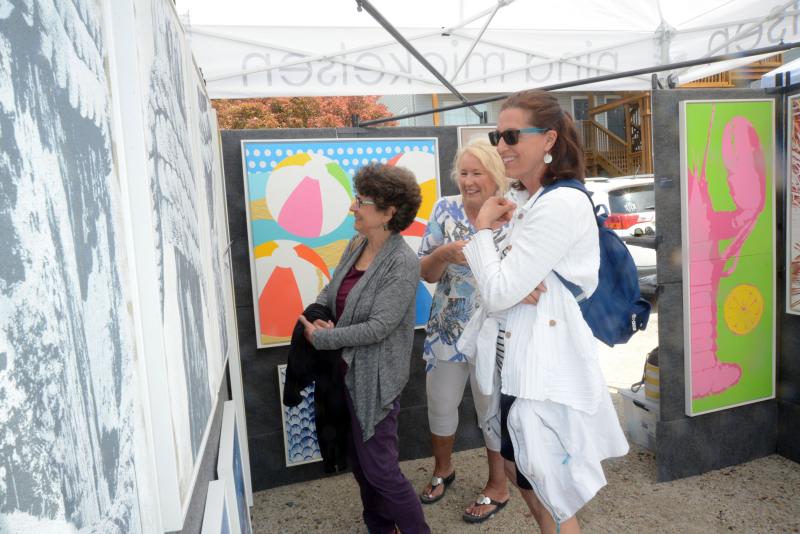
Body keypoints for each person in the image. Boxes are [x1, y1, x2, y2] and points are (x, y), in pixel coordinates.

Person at [460, 90, 629, 534]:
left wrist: (483, 231)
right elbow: (500, 286)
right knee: (522, 474)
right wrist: (507, 276)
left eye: (512, 135)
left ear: (549, 138)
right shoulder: (529, 201)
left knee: (548, 486)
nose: (501, 146)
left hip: (541, 369)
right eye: (497, 136)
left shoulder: (560, 203)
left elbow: (498, 289)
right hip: (517, 363)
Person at [299, 163, 429, 534]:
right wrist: (319, 313)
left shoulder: (403, 262)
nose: (353, 207)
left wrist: (323, 338)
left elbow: (379, 327)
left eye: (362, 201)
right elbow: (332, 289)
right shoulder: (356, 244)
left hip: (375, 380)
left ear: (389, 213)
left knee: (381, 470)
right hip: (342, 373)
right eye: (357, 199)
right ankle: (381, 527)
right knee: (360, 464)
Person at [416, 139, 513, 523]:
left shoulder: (515, 211)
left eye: (477, 173)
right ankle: (443, 469)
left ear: (496, 174)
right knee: (440, 402)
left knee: (491, 408)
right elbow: (426, 273)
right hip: (447, 328)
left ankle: (498, 485)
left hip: (496, 328)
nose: (469, 181)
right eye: (463, 172)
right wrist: (443, 254)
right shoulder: (444, 209)